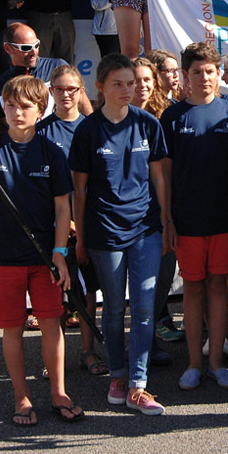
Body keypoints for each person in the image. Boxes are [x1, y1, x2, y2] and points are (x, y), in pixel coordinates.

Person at [0, 75, 81, 426]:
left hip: (44, 258)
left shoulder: (51, 152)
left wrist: (59, 252)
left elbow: (62, 209)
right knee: (12, 327)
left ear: (41, 111)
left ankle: (58, 391)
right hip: (4, 255)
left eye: (25, 106)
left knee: (52, 324)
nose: (16, 112)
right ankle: (21, 397)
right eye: (10, 105)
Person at [70, 54, 170, 416]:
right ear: (100, 87)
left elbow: (159, 177)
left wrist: (167, 221)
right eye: (118, 84)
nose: (127, 90)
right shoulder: (87, 130)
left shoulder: (148, 123)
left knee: (144, 308)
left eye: (131, 83)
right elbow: (78, 191)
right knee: (113, 308)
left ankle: (138, 386)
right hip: (104, 232)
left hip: (146, 228)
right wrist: (81, 237)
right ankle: (117, 376)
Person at [161, 43, 228, 391]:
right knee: (192, 289)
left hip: (225, 219)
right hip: (188, 220)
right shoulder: (172, 116)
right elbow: (164, 174)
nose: (204, 78)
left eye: (210, 71)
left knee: (219, 286)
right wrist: (168, 219)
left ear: (219, 73)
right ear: (185, 75)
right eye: (197, 72)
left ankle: (217, 363)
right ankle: (194, 364)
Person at [37, 65, 107, 376]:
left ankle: (88, 352)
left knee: (88, 292)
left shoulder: (93, 128)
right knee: (55, 296)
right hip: (53, 228)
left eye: (72, 89)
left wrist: (82, 222)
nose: (65, 94)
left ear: (82, 92)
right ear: (50, 91)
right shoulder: (41, 132)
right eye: (59, 88)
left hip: (87, 223)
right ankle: (54, 359)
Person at [131, 57, 180, 355]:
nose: (142, 86)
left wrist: (169, 216)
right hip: (126, 215)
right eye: (135, 80)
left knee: (160, 280)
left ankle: (147, 340)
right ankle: (135, 346)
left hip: (161, 211)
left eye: (147, 79)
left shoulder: (167, 116)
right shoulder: (112, 116)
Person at [0, 22, 84, 129]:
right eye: (25, 48)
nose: (34, 52)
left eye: (36, 45)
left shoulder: (57, 66)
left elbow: (82, 100)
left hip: (58, 136)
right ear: (8, 49)